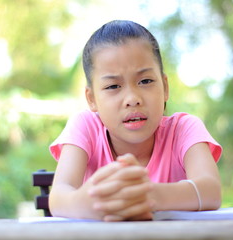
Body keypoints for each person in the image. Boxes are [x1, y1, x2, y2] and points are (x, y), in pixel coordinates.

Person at [48, 20, 222, 222]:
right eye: (113, 86)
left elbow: (211, 190)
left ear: (165, 87)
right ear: (92, 98)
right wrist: (86, 203)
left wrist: (148, 195)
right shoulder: (85, 127)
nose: (132, 99)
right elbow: (58, 196)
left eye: (145, 81)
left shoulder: (184, 129)